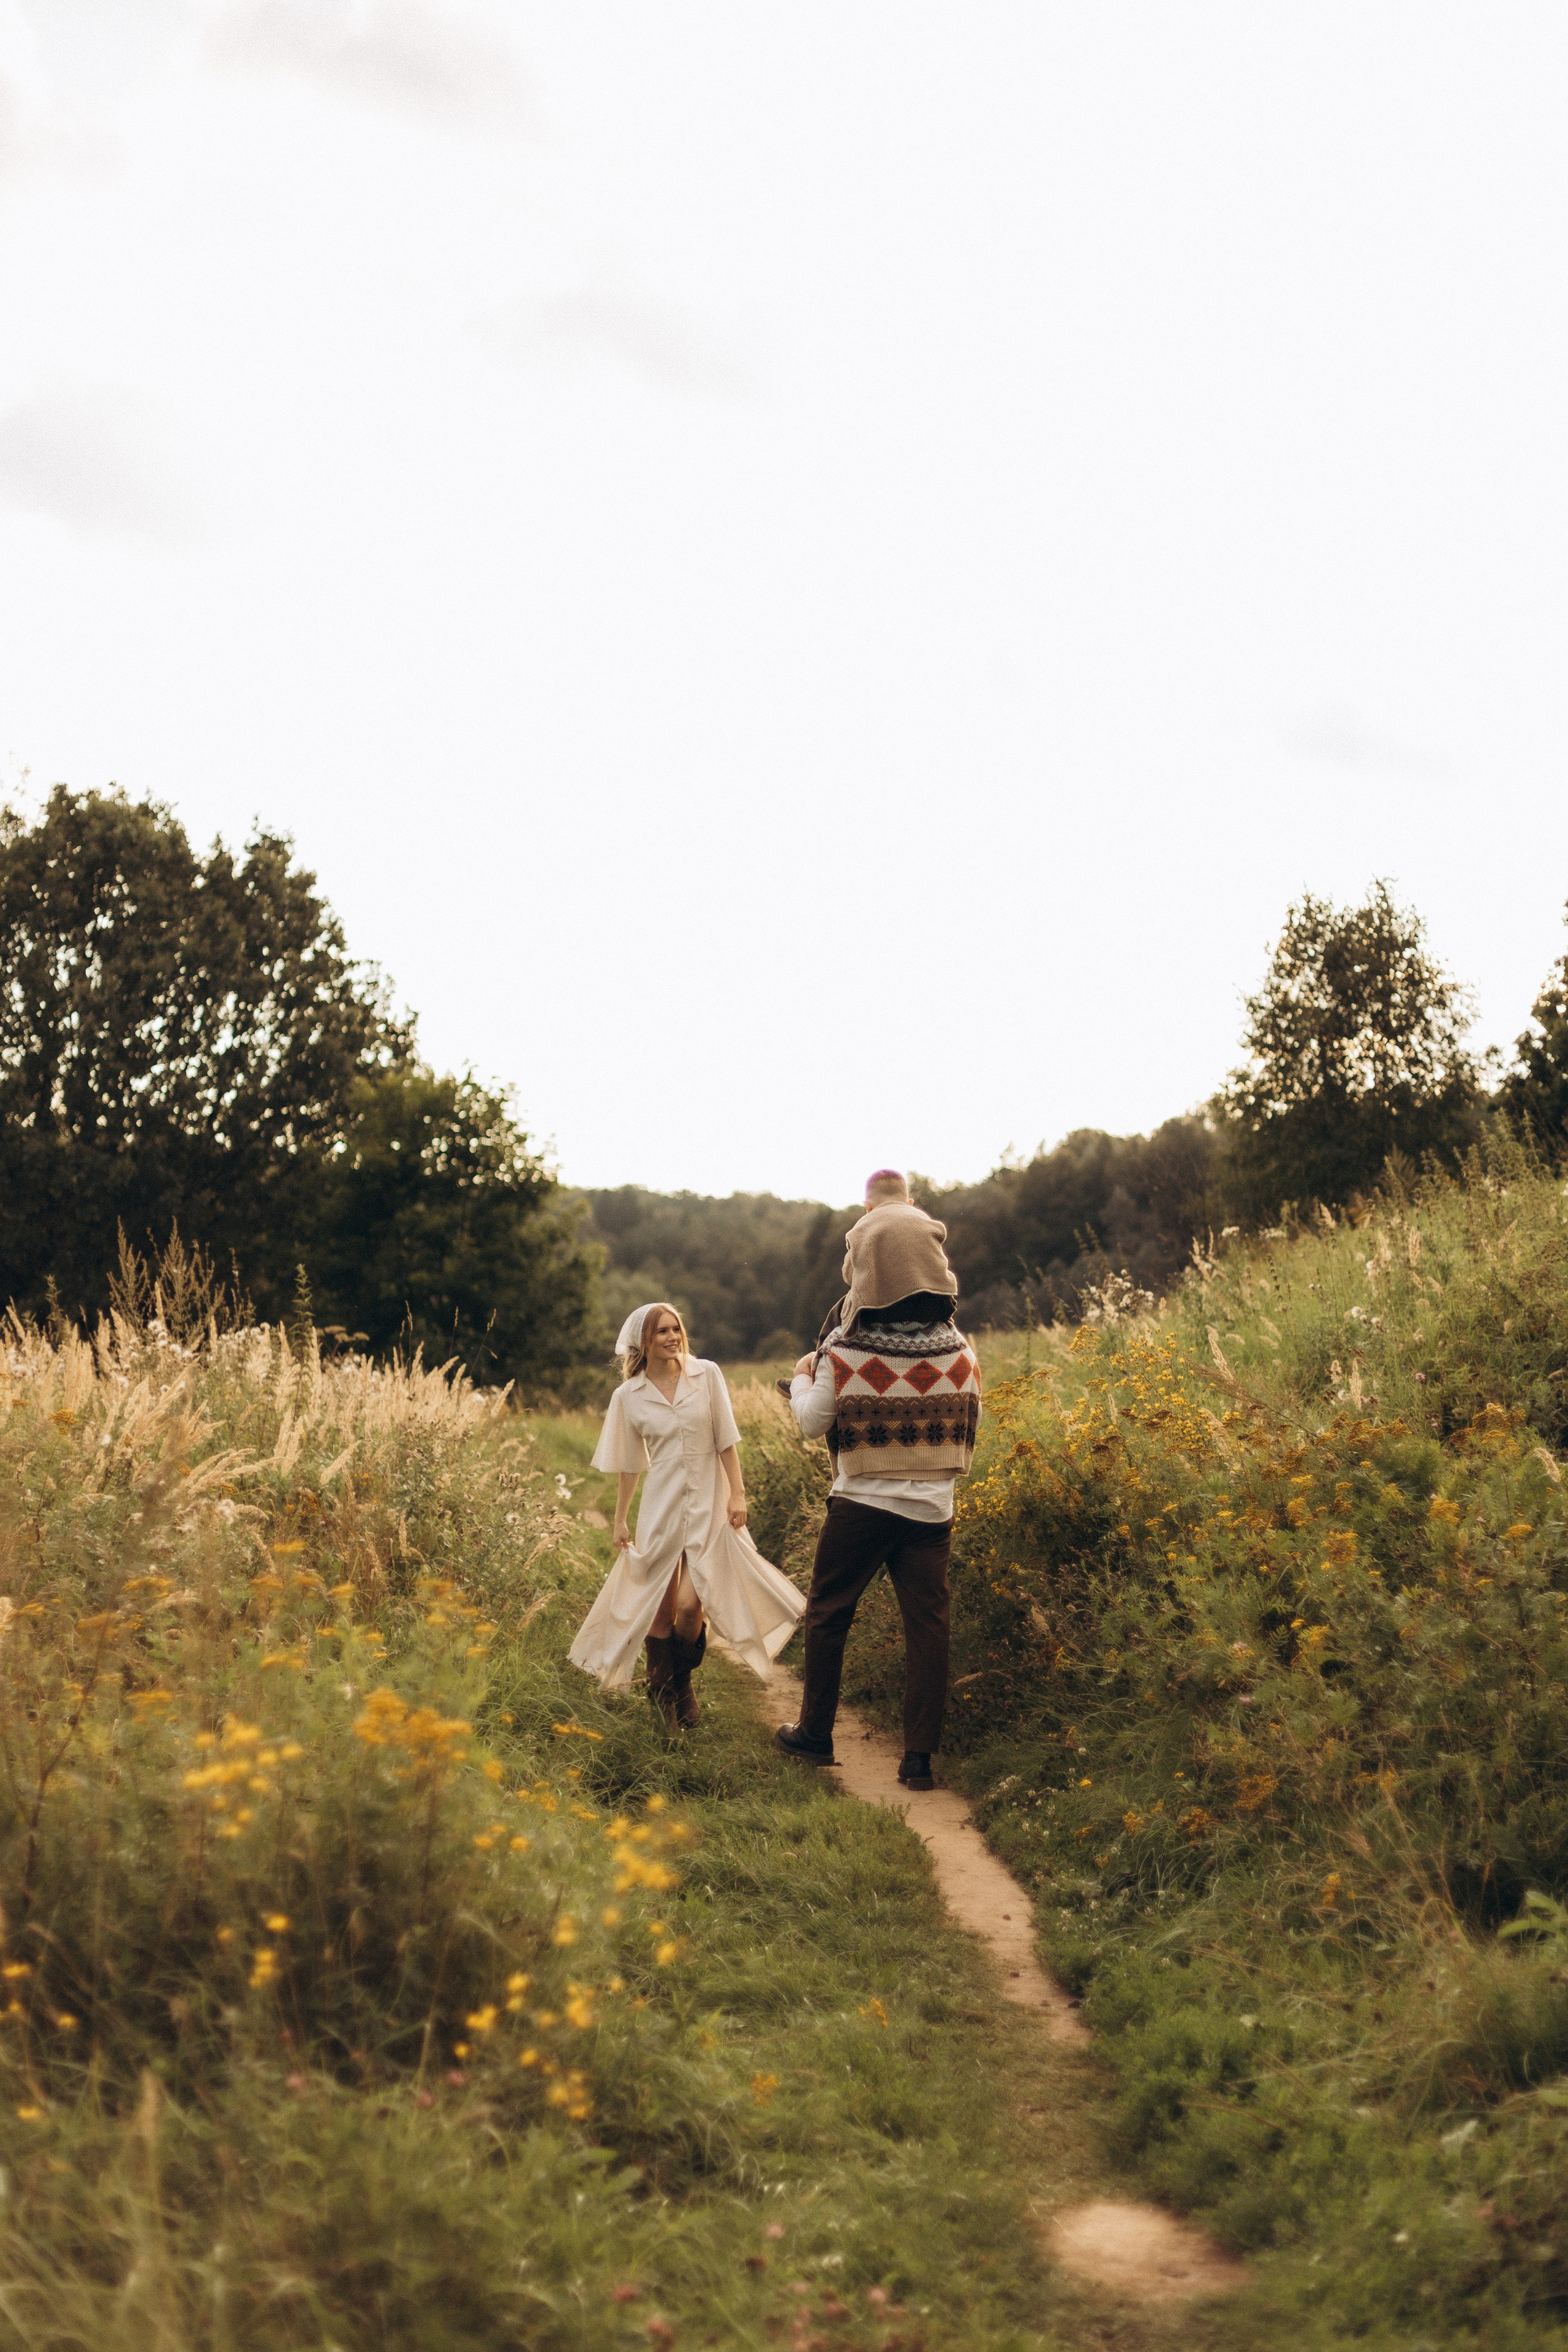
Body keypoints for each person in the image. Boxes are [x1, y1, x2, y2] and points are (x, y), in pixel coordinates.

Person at [774, 1172, 981, 1790]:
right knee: (928, 1627)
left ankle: (815, 1735)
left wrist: (804, 1377)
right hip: (931, 1511)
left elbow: (812, 1425)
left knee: (829, 1614)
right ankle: (918, 1759)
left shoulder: (846, 1348)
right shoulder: (960, 1351)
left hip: (862, 1504)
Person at [569, 1302, 805, 1724]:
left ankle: (680, 1682)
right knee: (659, 1610)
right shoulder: (629, 1396)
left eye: (675, 1328)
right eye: (661, 1331)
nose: (672, 1337)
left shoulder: (707, 1375)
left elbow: (726, 1440)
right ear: (645, 1340)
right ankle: (664, 1690)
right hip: (662, 1507)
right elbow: (629, 1464)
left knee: (691, 1608)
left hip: (710, 1503)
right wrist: (621, 1519)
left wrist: (739, 1493)